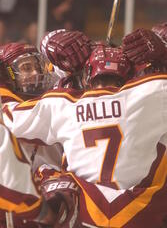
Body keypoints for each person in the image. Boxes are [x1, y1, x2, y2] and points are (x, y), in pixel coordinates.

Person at [2, 30, 167, 228]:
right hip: (142, 214)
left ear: (87, 78)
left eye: (37, 67)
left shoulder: (62, 103)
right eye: (27, 68)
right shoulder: (152, 92)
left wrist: (50, 44)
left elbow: (7, 115)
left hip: (81, 215)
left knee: (56, 181)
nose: (36, 74)